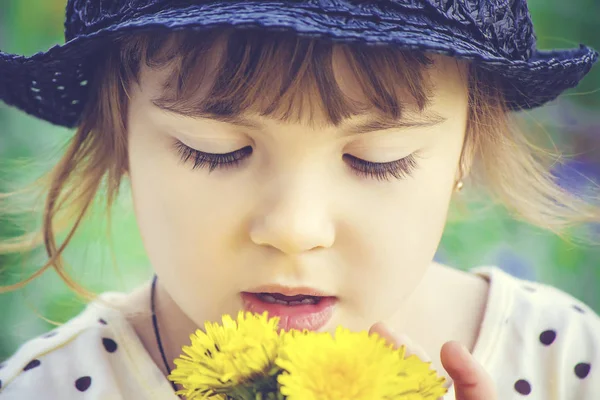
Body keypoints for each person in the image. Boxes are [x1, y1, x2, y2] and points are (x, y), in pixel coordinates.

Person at [0, 0, 598, 399]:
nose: (294, 228)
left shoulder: (566, 362)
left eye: (377, 159)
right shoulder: (49, 387)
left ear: (465, 148)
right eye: (215, 150)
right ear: (119, 138)